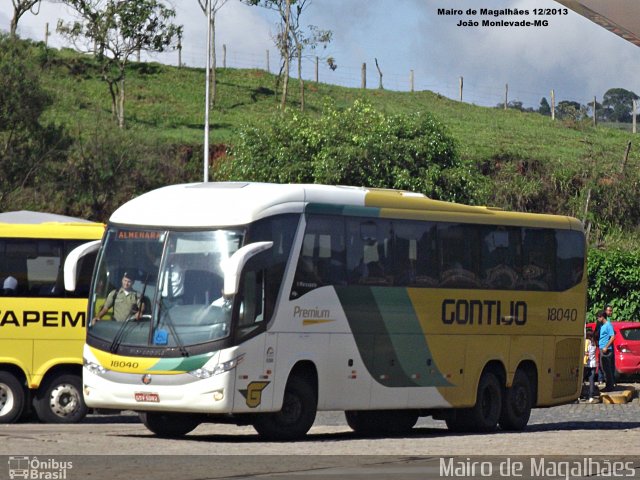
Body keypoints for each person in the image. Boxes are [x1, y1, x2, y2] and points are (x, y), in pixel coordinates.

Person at [597, 310, 616, 392]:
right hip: (602, 348)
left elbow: (612, 336)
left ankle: (609, 386)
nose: (597, 319)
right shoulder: (602, 325)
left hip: (606, 350)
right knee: (604, 368)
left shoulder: (608, 325)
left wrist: (606, 347)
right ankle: (609, 385)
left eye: (598, 317)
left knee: (606, 369)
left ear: (602, 317)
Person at [584, 329, 599, 403]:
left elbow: (586, 352)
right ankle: (591, 396)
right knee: (591, 381)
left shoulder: (587, 342)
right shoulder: (594, 343)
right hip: (593, 364)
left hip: (586, 363)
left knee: (582, 379)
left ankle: (579, 395)